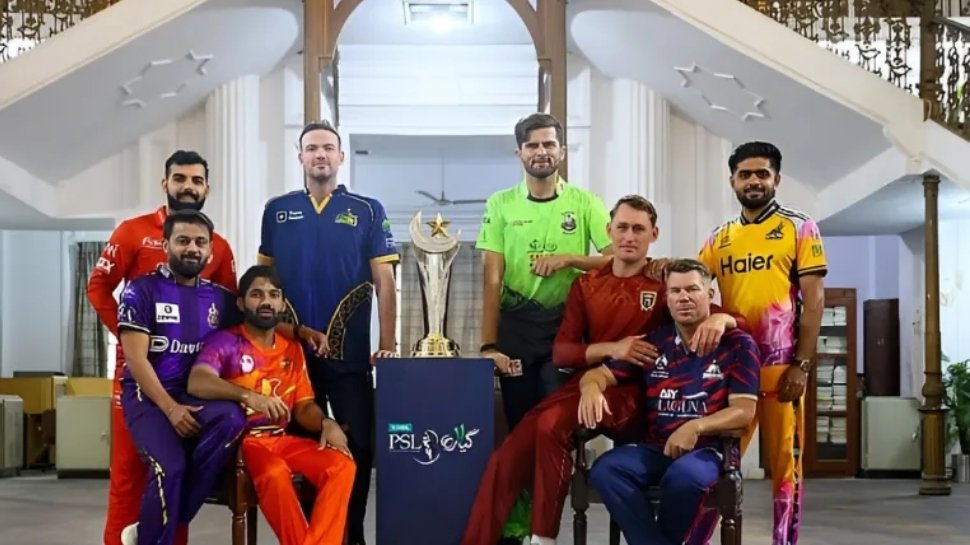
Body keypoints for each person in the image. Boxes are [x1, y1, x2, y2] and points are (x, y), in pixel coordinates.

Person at [462, 196, 743, 545]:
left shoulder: (663, 282)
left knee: (550, 426)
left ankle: (543, 538)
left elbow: (730, 319)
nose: (629, 236)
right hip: (589, 384)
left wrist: (721, 318)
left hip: (638, 392)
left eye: (638, 229)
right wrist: (614, 348)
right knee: (509, 455)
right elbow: (562, 353)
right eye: (622, 228)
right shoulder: (587, 284)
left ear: (654, 234)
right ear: (609, 231)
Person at [258, 120, 398, 545]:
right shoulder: (277, 211)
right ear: (300, 157)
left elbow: (385, 281)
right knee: (301, 450)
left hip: (350, 358)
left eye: (328, 148)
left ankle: (351, 536)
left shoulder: (367, 209)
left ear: (340, 156)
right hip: (293, 361)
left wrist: (386, 344)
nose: (320, 154)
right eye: (312, 148)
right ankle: (311, 537)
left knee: (359, 448)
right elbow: (262, 288)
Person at [87, 150, 237, 545]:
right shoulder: (132, 232)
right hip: (138, 376)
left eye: (197, 180)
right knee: (128, 477)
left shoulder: (219, 247)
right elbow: (98, 287)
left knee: (176, 473)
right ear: (165, 183)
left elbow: (231, 318)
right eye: (180, 179)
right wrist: (132, 339)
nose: (188, 187)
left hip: (191, 382)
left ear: (207, 188)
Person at [695, 141, 826, 545]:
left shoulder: (799, 227)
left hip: (781, 367)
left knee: (786, 470)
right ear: (732, 181)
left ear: (776, 179)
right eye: (745, 174)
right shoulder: (719, 238)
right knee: (714, 467)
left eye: (762, 173)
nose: (753, 181)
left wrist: (802, 365)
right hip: (734, 369)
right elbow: (695, 290)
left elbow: (815, 301)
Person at [582, 259, 760, 545]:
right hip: (656, 449)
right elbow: (598, 375)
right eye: (675, 291)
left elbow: (743, 411)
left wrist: (695, 427)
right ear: (667, 298)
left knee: (685, 476)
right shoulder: (655, 342)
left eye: (692, 289)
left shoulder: (738, 344)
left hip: (711, 453)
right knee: (606, 469)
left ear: (709, 294)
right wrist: (590, 387)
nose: (683, 297)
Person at [187, 265, 355, 545]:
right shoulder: (226, 342)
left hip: (281, 440)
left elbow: (303, 407)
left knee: (342, 465)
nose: (266, 301)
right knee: (275, 474)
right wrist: (248, 396)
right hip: (245, 444)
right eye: (257, 294)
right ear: (241, 303)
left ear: (282, 304)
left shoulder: (293, 348)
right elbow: (197, 382)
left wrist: (327, 423)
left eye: (273, 295)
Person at [116, 210, 247, 545]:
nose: (192, 248)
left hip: (195, 395)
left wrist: (302, 332)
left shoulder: (220, 298)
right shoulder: (140, 291)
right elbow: (135, 359)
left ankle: (153, 526)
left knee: (232, 418)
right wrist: (171, 408)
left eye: (200, 242)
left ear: (210, 250)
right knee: (170, 468)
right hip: (149, 397)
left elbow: (261, 320)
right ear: (166, 245)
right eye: (183, 240)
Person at [477, 113, 614, 431]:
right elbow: (492, 280)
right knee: (521, 421)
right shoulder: (500, 203)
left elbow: (617, 261)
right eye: (532, 145)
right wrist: (488, 346)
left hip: (566, 327)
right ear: (519, 153)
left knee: (557, 422)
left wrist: (569, 259)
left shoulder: (586, 203)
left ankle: (560, 466)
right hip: (516, 329)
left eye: (549, 144)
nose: (541, 152)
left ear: (562, 151)